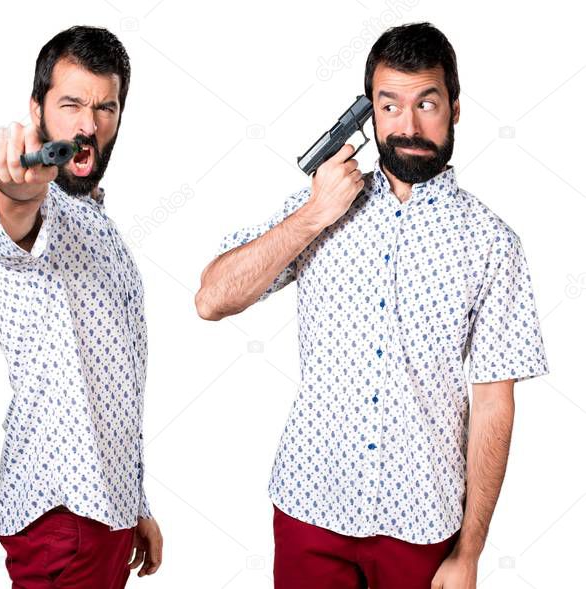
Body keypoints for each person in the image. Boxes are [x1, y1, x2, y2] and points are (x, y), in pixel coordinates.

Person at [195, 22, 548, 589]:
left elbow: (493, 404)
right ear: (369, 112)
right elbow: (212, 299)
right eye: (389, 105)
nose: (407, 125)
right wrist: (314, 215)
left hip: (423, 526)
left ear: (455, 108)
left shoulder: (491, 243)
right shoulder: (320, 205)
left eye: (426, 103)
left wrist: (470, 552)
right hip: (309, 510)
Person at [0, 25, 163, 589]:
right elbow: (13, 214)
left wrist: (134, 503)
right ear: (37, 109)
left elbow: (112, 385)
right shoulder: (26, 206)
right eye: (71, 104)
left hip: (106, 514)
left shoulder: (100, 221)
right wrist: (16, 186)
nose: (88, 125)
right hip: (62, 520)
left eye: (106, 107)